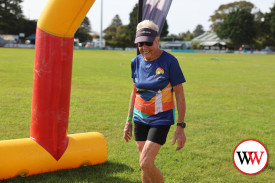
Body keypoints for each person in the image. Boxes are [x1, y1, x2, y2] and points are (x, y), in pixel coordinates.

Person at [123, 20, 187, 183]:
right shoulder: (135, 62)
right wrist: (128, 120)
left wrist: (180, 126)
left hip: (161, 118)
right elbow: (134, 92)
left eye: (148, 43)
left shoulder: (170, 61)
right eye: (140, 43)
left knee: (145, 163)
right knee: (144, 164)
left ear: (157, 41)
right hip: (139, 117)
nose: (144, 47)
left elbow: (179, 95)